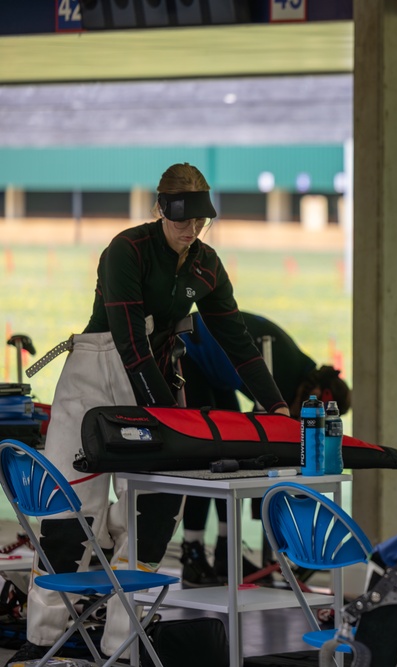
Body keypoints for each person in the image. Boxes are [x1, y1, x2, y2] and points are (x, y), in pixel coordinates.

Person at [8, 163, 290, 665]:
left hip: (154, 381)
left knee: (157, 508)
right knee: (70, 511)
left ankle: (122, 637)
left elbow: (238, 343)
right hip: (98, 374)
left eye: (200, 222)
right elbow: (129, 339)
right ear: (160, 210)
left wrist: (276, 406)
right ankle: (44, 636)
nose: (191, 231)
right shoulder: (127, 249)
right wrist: (166, 415)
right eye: (182, 220)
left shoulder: (207, 265)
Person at [175, 311, 351, 587]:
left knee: (228, 451)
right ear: (323, 395)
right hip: (190, 351)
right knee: (208, 452)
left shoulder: (303, 374)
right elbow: (269, 431)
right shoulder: (284, 373)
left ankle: (226, 549)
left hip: (215, 361)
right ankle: (192, 551)